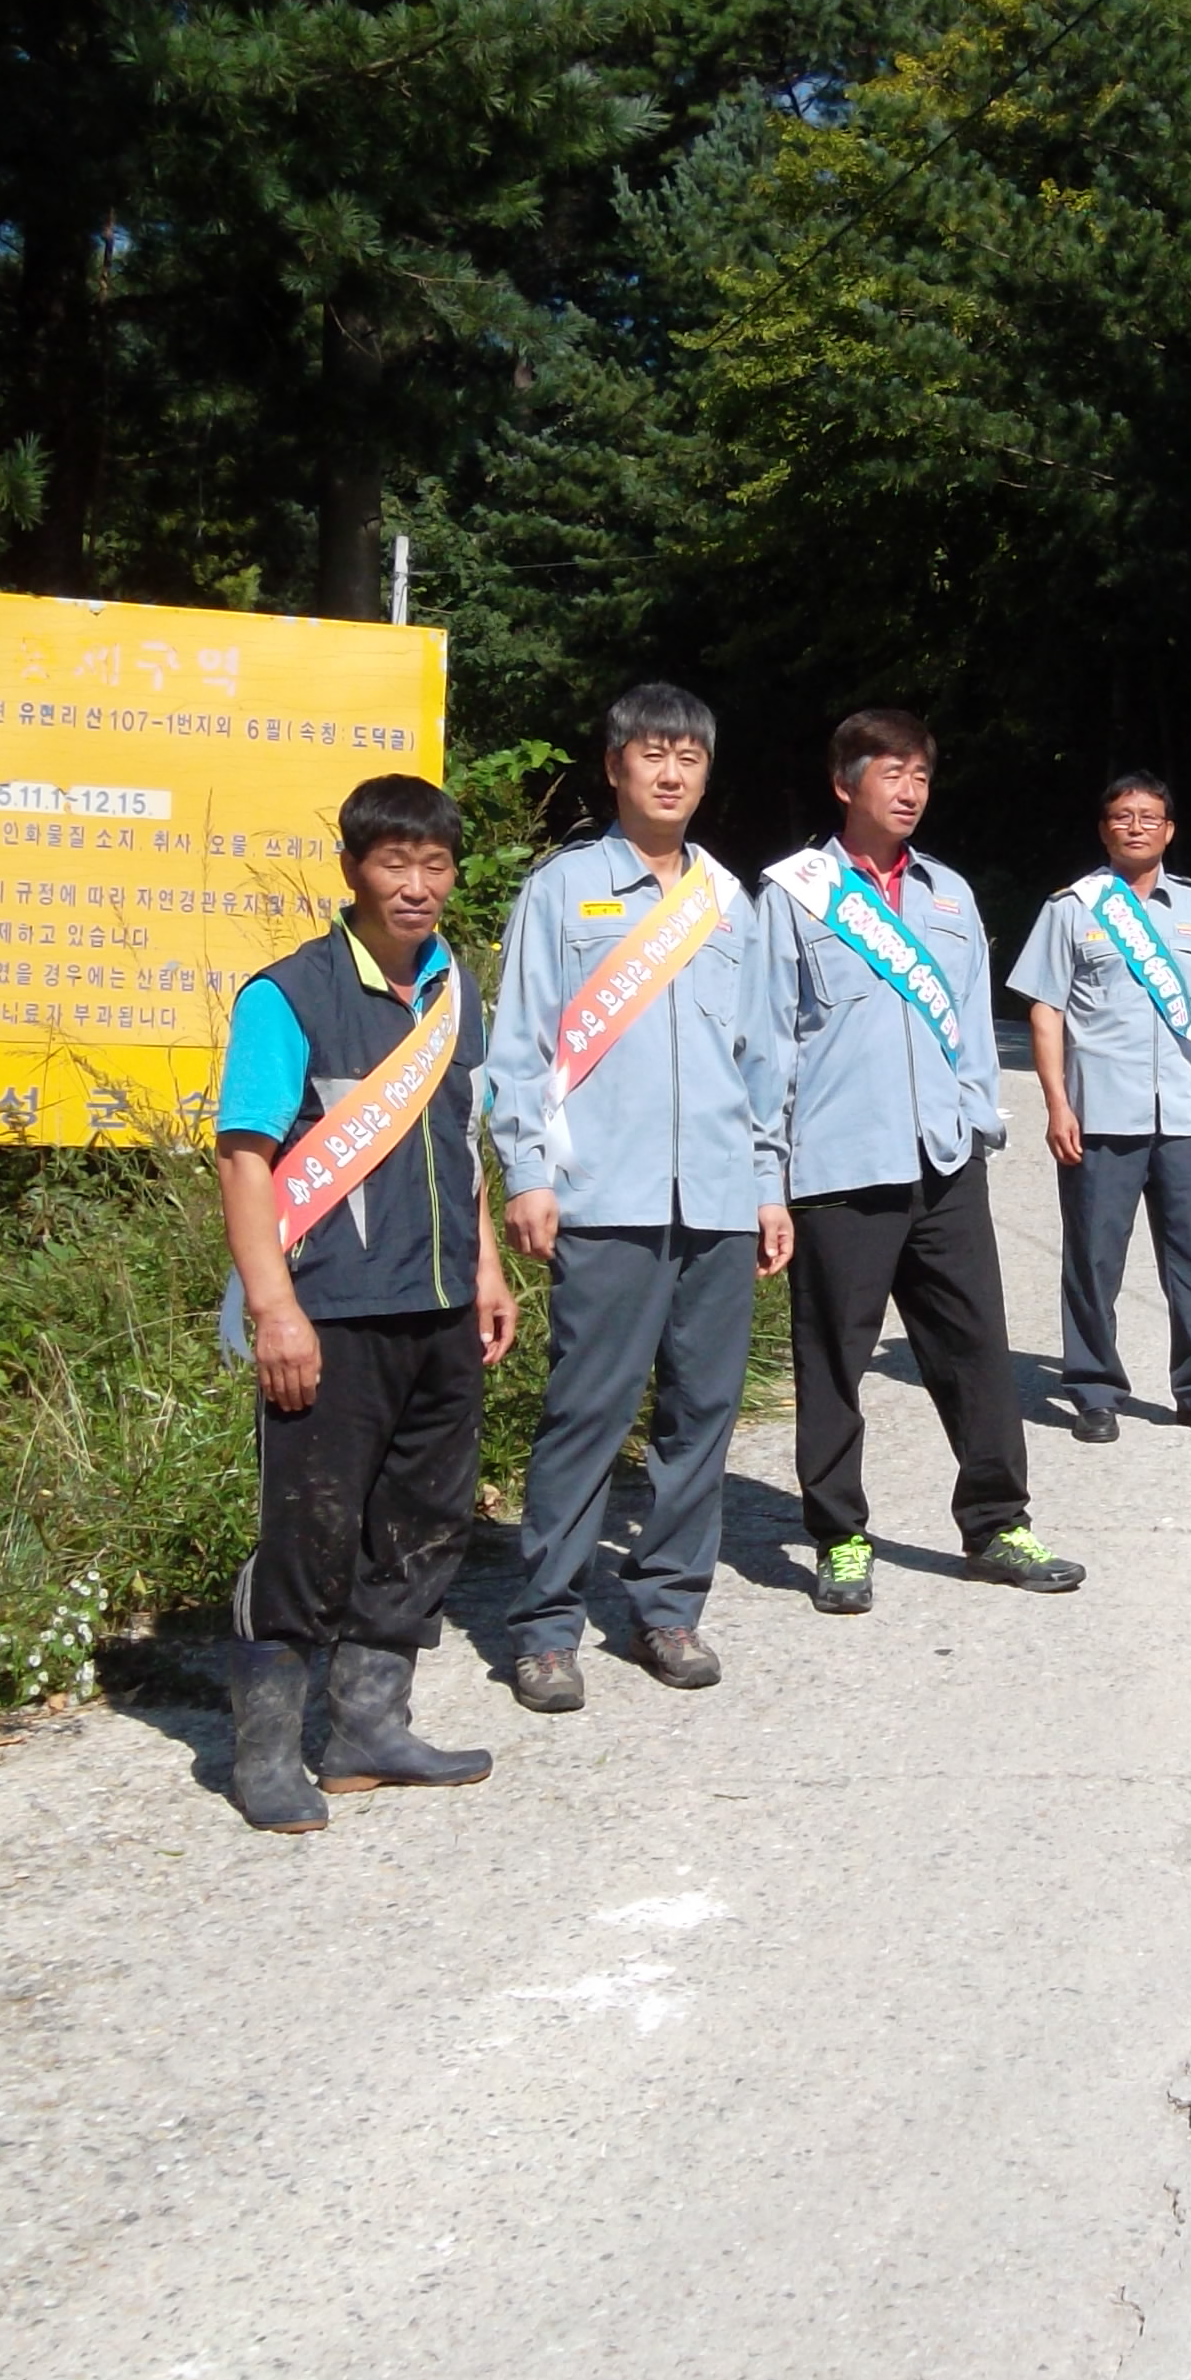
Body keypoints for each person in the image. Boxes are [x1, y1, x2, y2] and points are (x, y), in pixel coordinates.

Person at [211, 773, 520, 1833]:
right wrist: (274, 1310)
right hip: (331, 1311)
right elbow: (244, 1161)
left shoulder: (455, 992)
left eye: (436, 865)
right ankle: (264, 1754)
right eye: (396, 862)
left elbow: (461, 1144)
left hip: (439, 1307)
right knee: (309, 1529)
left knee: (425, 1523)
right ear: (352, 869)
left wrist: (485, 1268)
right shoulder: (287, 995)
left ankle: (368, 1731)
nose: (417, 885)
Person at [481, 684, 794, 1711]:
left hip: (717, 1199)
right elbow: (519, 1045)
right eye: (652, 754)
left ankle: (670, 1608)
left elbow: (761, 1058)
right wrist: (528, 1172)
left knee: (701, 1415)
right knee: (587, 1411)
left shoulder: (730, 902)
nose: (670, 773)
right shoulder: (561, 890)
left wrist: (768, 1186)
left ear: (706, 775)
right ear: (615, 766)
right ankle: (546, 1628)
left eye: (688, 758)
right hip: (602, 1198)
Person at [761, 709, 1084, 1613]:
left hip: (944, 1163)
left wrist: (976, 1122)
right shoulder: (793, 895)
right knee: (834, 1359)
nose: (909, 792)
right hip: (839, 1167)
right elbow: (767, 1042)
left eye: (921, 777)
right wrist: (766, 1175)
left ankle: (997, 1524)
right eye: (891, 773)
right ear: (845, 783)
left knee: (975, 1348)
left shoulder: (949, 895)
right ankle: (839, 1535)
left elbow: (974, 1022)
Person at [1007, 772, 1191, 1444]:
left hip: (1183, 1116)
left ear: (1169, 830)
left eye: (1149, 816)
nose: (1136, 826)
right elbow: (1045, 1011)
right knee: (1093, 1260)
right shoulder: (1070, 909)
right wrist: (1057, 1104)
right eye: (1122, 816)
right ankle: (1094, 1390)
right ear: (1103, 829)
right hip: (1100, 1116)